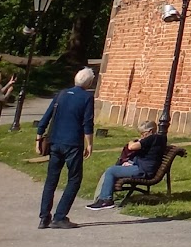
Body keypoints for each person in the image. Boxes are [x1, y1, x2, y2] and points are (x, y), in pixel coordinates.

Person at [35, 67, 95, 229]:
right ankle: (60, 216)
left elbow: (46, 117)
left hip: (55, 141)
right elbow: (87, 122)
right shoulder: (87, 97)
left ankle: (44, 217)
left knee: (51, 180)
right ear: (90, 83)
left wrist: (38, 138)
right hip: (73, 143)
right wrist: (89, 144)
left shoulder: (61, 94)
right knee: (74, 179)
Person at [85, 120, 167, 210]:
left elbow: (131, 147)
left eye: (143, 133)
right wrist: (131, 163)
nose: (142, 136)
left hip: (143, 170)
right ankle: (101, 199)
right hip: (143, 168)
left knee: (111, 171)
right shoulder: (159, 139)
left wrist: (131, 142)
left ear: (150, 131)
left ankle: (106, 200)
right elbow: (148, 155)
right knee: (112, 170)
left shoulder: (153, 138)